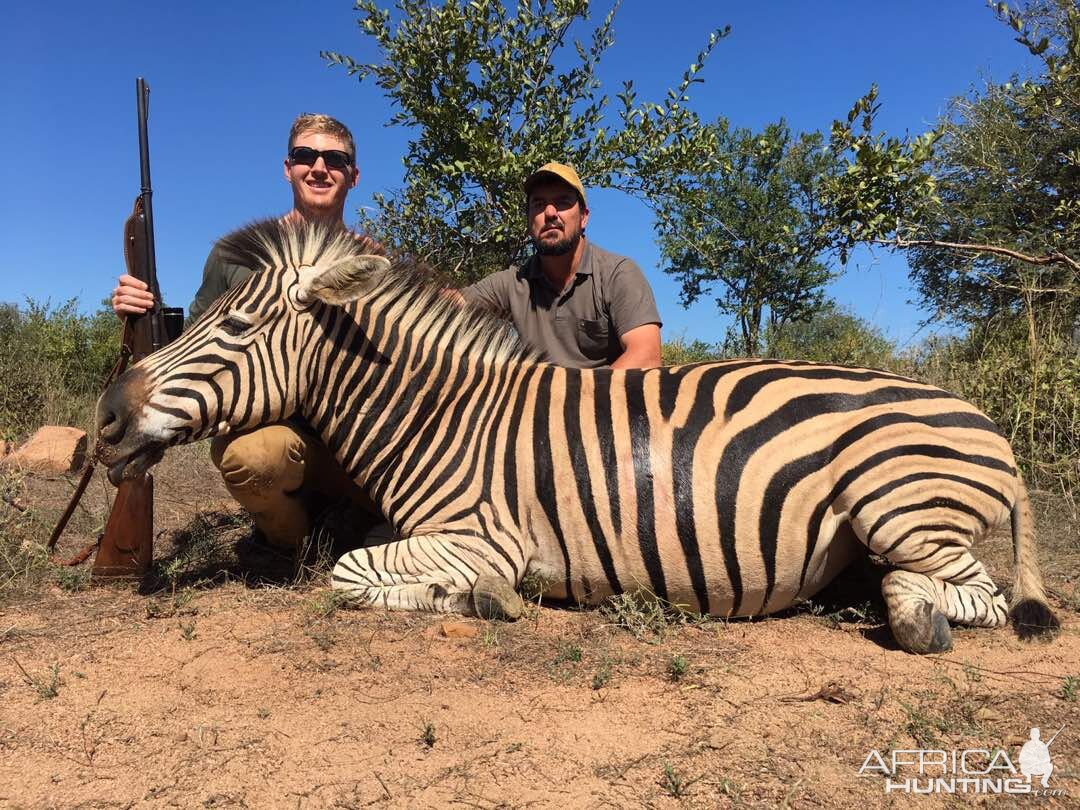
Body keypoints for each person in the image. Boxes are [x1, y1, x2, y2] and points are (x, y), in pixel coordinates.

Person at [110, 113, 377, 549]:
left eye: (335, 159)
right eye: (305, 155)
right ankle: (295, 547)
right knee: (253, 459)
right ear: (287, 168)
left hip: (357, 441)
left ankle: (353, 520)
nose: (319, 167)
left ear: (353, 175)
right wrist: (139, 314)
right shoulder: (237, 255)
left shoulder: (370, 263)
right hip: (278, 435)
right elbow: (195, 344)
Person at [459, 162, 662, 369]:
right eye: (538, 204)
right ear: (529, 221)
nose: (549, 213)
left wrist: (572, 399)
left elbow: (646, 356)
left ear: (584, 217)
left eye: (562, 202)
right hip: (536, 398)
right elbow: (451, 304)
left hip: (604, 399)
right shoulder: (514, 282)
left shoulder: (618, 273)